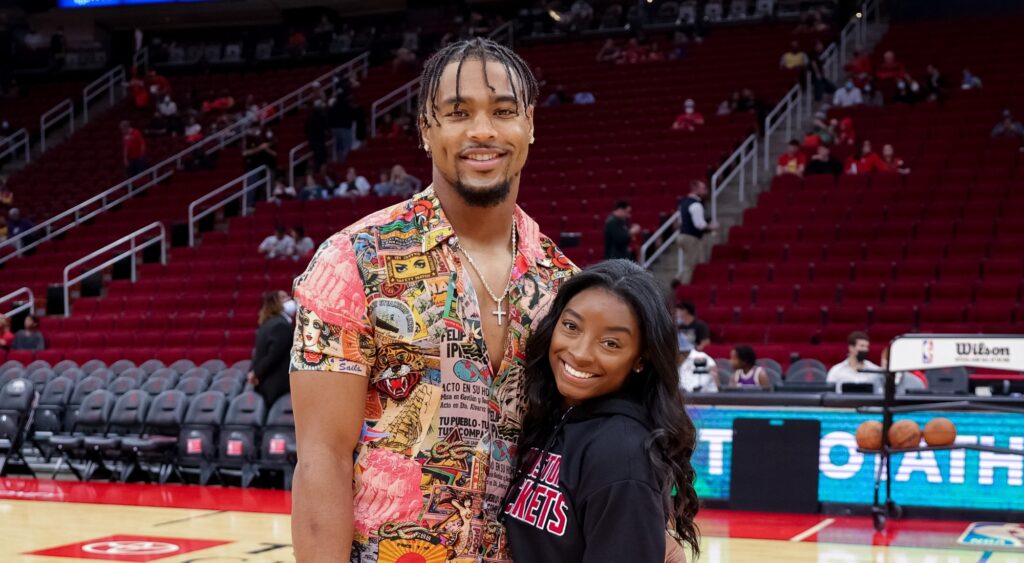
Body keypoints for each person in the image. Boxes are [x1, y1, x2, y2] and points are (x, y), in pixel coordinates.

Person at [289, 37, 577, 562]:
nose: (483, 130)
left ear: (530, 124)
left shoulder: (565, 286)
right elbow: (321, 458)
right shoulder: (353, 262)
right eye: (458, 112)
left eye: (503, 111)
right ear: (426, 128)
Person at [502, 260, 700, 562]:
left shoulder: (622, 453)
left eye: (610, 343)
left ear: (641, 359)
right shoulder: (554, 415)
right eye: (571, 326)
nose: (580, 353)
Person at [249, 291, 294, 407]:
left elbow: (258, 354)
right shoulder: (281, 325)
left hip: (266, 383)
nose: (290, 299)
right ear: (275, 303)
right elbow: (273, 356)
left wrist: (254, 372)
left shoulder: (266, 323)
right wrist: (256, 373)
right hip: (277, 385)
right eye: (284, 298)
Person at [678, 180, 716, 282]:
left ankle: (678, 278)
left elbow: (680, 222)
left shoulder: (684, 203)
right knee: (690, 265)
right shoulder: (696, 205)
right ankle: (683, 289)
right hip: (691, 237)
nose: (706, 191)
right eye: (703, 189)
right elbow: (700, 225)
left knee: (688, 263)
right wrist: (712, 227)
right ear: (696, 190)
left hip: (682, 235)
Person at [328, 91, 356, 163]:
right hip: (345, 128)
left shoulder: (334, 106)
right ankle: (345, 161)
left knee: (339, 146)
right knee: (346, 145)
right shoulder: (347, 106)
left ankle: (340, 160)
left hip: (335, 129)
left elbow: (329, 117)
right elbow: (352, 115)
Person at [306, 98, 330, 171]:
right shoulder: (322, 116)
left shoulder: (310, 118)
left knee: (317, 156)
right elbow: (326, 127)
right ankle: (320, 170)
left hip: (313, 141)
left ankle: (318, 169)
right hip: (319, 140)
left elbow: (306, 129)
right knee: (321, 157)